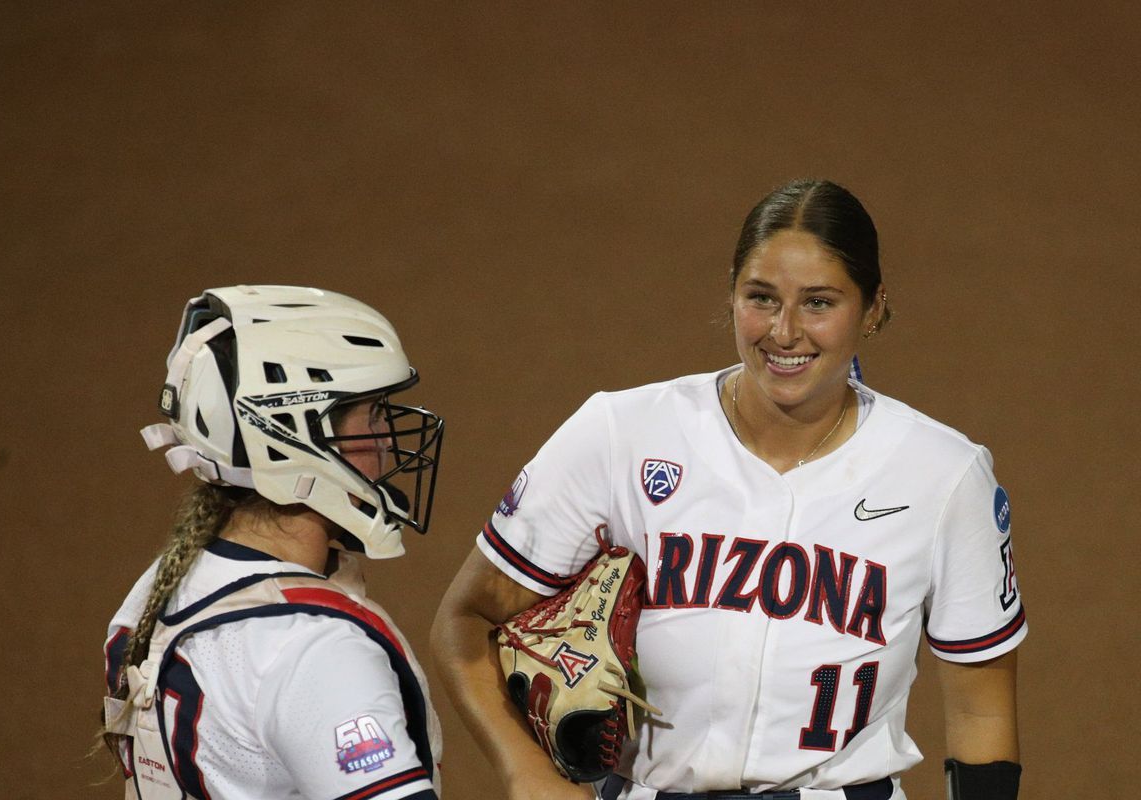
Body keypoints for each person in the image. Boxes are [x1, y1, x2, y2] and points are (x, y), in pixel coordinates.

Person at [431, 180, 1024, 800]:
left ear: (873, 309)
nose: (785, 332)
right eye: (761, 298)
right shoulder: (621, 434)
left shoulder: (944, 474)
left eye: (819, 302)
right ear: (732, 291)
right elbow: (464, 619)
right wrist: (522, 769)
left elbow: (982, 713)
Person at [100, 285, 445, 800]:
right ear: (295, 438)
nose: (388, 441)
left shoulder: (166, 584)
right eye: (370, 415)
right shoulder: (313, 648)